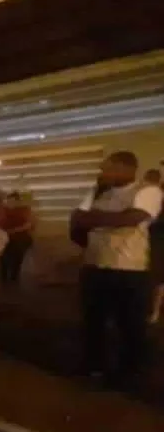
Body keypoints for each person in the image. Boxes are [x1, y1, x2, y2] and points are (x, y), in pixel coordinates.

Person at [70, 151, 163, 389]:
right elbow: (77, 219)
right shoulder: (100, 192)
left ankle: (130, 372)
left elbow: (132, 218)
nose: (102, 174)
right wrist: (95, 219)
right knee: (93, 321)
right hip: (95, 265)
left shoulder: (147, 191)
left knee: (129, 324)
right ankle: (93, 365)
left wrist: (95, 218)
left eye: (107, 169)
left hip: (129, 269)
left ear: (126, 168)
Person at [0, 191, 34, 285]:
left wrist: (13, 231)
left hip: (20, 239)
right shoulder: (3, 210)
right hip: (4, 238)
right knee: (2, 254)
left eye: (13, 201)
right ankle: (4, 278)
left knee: (16, 254)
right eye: (9, 201)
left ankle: (14, 277)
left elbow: (28, 225)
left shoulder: (24, 210)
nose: (10, 203)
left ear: (18, 201)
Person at [144, 168, 164, 323]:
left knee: (158, 276)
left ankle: (155, 311)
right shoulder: (154, 193)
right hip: (154, 237)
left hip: (157, 236)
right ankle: (154, 311)